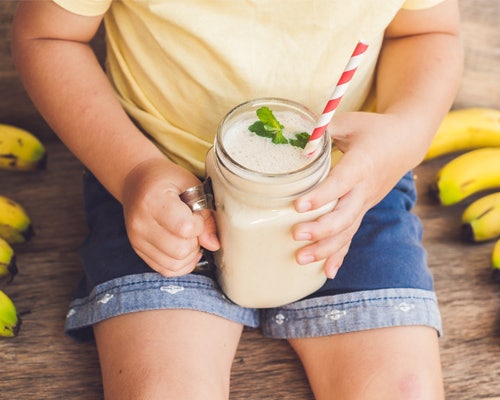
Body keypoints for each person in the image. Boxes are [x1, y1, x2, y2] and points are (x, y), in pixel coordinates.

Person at [11, 0, 463, 398]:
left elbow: (427, 30)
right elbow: (48, 34)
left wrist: (405, 131)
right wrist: (132, 173)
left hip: (347, 183)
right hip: (157, 180)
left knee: (403, 388)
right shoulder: (141, 175)